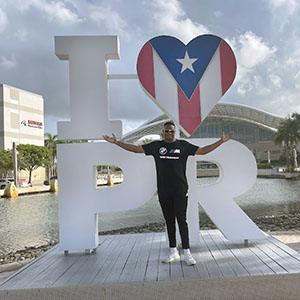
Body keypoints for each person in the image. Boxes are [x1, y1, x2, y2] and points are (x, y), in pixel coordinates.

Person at [103, 121, 233, 266]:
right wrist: (116, 142)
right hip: (164, 190)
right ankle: (173, 251)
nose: (169, 133)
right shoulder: (156, 146)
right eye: (166, 131)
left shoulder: (183, 146)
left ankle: (187, 253)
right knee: (169, 221)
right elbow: (135, 149)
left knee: (182, 220)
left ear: (175, 132)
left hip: (180, 189)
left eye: (171, 131)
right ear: (163, 132)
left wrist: (221, 141)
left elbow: (203, 151)